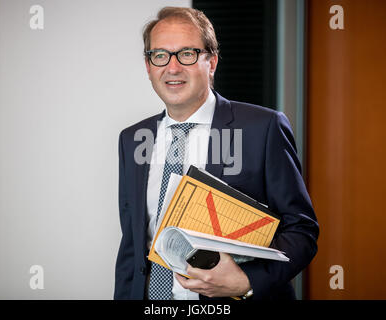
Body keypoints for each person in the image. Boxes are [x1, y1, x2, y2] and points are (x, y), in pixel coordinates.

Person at [114, 6, 319, 300]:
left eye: (187, 54)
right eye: (160, 55)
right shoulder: (132, 139)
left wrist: (247, 282)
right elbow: (132, 246)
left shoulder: (263, 128)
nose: (172, 68)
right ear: (148, 66)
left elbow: (302, 230)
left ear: (212, 62)